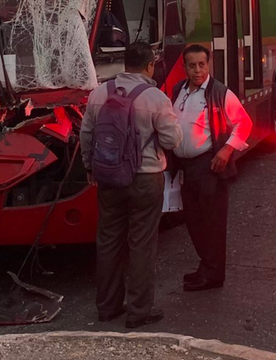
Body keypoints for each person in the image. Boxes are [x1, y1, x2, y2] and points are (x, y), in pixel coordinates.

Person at [80, 41, 182, 328]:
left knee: (109, 241)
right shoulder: (156, 98)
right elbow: (172, 140)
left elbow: (86, 135)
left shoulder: (100, 93)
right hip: (145, 178)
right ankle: (139, 311)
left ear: (125, 64)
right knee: (141, 244)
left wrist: (89, 166)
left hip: (109, 177)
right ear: (150, 65)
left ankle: (108, 306)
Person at [169, 44, 253, 292]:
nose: (197, 70)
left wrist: (226, 150)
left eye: (202, 65)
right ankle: (206, 267)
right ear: (184, 67)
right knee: (194, 221)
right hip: (186, 168)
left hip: (209, 167)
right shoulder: (178, 90)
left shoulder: (220, 92)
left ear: (209, 65)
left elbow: (244, 123)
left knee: (212, 223)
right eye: (192, 65)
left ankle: (214, 275)